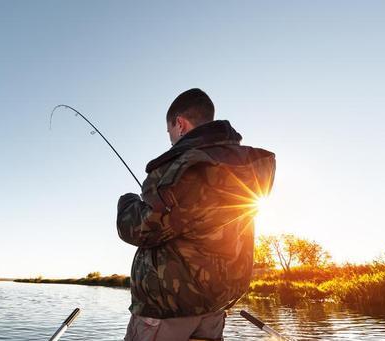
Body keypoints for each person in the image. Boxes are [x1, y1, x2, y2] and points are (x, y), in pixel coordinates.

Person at [116, 88, 276, 341]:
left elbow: (141, 228)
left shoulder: (182, 165)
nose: (170, 137)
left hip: (169, 309)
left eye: (169, 130)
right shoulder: (246, 164)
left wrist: (127, 202)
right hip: (215, 305)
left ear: (179, 123)